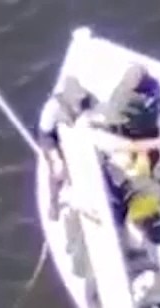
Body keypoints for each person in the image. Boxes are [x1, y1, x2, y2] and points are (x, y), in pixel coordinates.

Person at [36, 75, 97, 217]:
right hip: (52, 137)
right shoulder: (52, 108)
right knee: (58, 169)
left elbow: (96, 108)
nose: (78, 99)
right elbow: (45, 134)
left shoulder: (85, 99)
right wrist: (55, 155)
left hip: (75, 131)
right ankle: (54, 204)